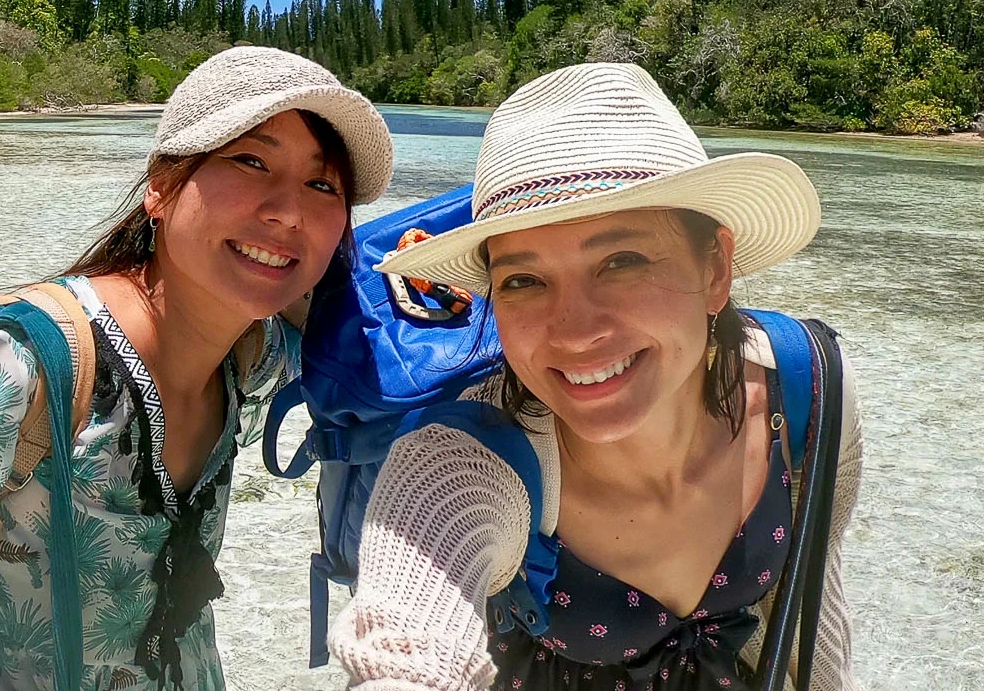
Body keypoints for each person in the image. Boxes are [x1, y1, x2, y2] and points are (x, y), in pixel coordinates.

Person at [0, 46, 394, 691]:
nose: (289, 211)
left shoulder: (254, 355)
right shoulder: (14, 363)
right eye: (250, 161)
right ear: (161, 185)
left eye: (322, 185)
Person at [330, 63, 860, 690]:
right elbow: (409, 650)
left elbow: (809, 616)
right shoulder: (459, 461)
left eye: (621, 261)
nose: (576, 332)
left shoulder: (808, 393)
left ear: (716, 266)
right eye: (525, 279)